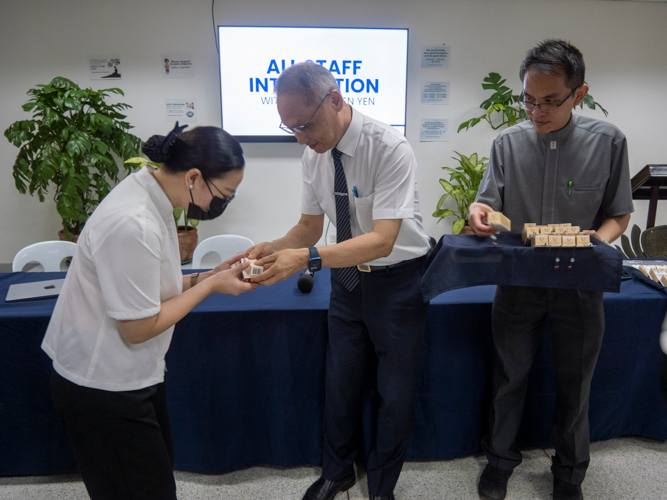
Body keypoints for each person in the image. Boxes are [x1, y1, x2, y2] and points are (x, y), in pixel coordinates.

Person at [246, 61, 432, 500]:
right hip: (347, 284)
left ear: (335, 100)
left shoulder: (389, 147)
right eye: (289, 127)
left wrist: (306, 259)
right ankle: (337, 471)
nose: (301, 139)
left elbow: (383, 241)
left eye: (305, 125)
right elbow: (308, 228)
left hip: (399, 283)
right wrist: (270, 248)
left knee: (394, 391)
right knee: (340, 382)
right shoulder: (313, 154)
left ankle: (382, 486)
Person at [42, 123, 258, 500]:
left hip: (133, 375)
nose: (220, 206)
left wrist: (210, 274)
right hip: (102, 385)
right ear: (193, 177)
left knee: (153, 481)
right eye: (223, 195)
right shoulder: (133, 221)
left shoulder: (153, 194)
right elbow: (138, 327)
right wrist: (210, 286)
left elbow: (155, 288)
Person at [470, 40, 634, 500]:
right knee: (509, 376)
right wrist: (480, 212)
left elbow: (619, 213)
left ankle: (568, 474)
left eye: (549, 101)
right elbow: (487, 203)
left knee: (575, 383)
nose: (536, 111)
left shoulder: (608, 142)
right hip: (519, 279)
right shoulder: (507, 143)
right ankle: (499, 462)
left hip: (579, 284)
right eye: (528, 99)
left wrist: (595, 243)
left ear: (578, 94)